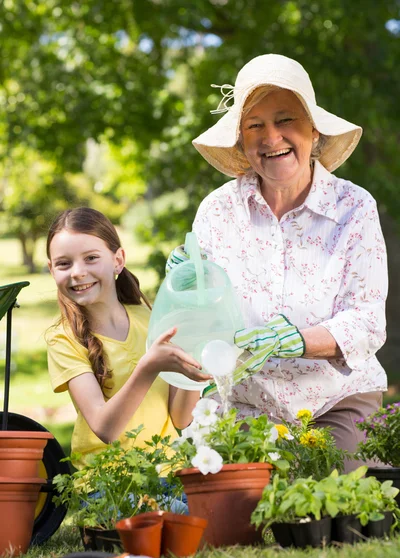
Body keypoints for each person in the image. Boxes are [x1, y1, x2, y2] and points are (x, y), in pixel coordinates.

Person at [168, 54, 388, 470]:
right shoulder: (216, 211)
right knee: (230, 507)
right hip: (245, 405)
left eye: (285, 120)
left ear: (314, 130)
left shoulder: (353, 207)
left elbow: (367, 322)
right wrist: (187, 288)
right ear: (241, 140)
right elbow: (202, 322)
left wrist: (300, 340)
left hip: (335, 400)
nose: (272, 138)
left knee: (332, 503)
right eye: (255, 126)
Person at [46, 207, 210, 472]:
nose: (77, 272)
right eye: (64, 264)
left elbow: (180, 418)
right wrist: (149, 366)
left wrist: (195, 357)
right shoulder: (63, 339)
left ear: (118, 260)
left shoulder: (150, 319)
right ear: (52, 270)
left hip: (167, 473)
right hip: (107, 485)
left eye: (90, 258)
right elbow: (104, 428)